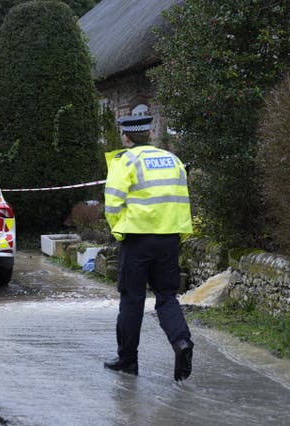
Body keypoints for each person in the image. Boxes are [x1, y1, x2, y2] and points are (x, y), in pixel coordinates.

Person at [103, 114, 194, 381]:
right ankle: (182, 342)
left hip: (137, 239)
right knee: (166, 296)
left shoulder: (126, 161)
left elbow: (112, 203)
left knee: (132, 299)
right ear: (150, 135)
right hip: (169, 238)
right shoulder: (174, 161)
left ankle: (128, 361)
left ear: (126, 137)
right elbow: (181, 197)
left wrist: (119, 231)